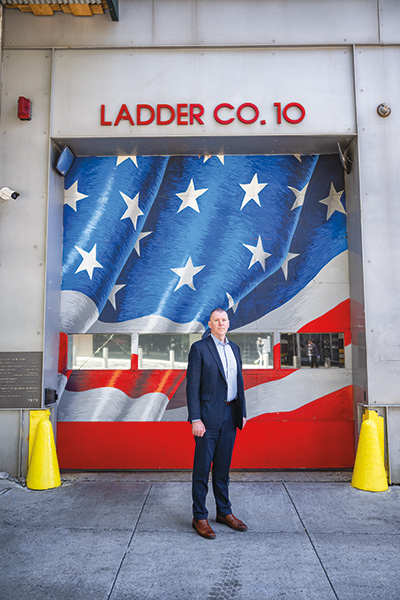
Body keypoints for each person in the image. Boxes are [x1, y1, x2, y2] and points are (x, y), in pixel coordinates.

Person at [186, 308, 247, 539]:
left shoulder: (235, 349)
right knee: (202, 469)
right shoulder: (199, 349)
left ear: (228, 323)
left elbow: (238, 382)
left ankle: (224, 512)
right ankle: (199, 516)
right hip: (207, 418)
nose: (221, 323)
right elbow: (192, 387)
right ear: (209, 324)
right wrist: (195, 419)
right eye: (216, 320)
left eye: (224, 320)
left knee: (223, 469)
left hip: (230, 416)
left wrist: (242, 411)